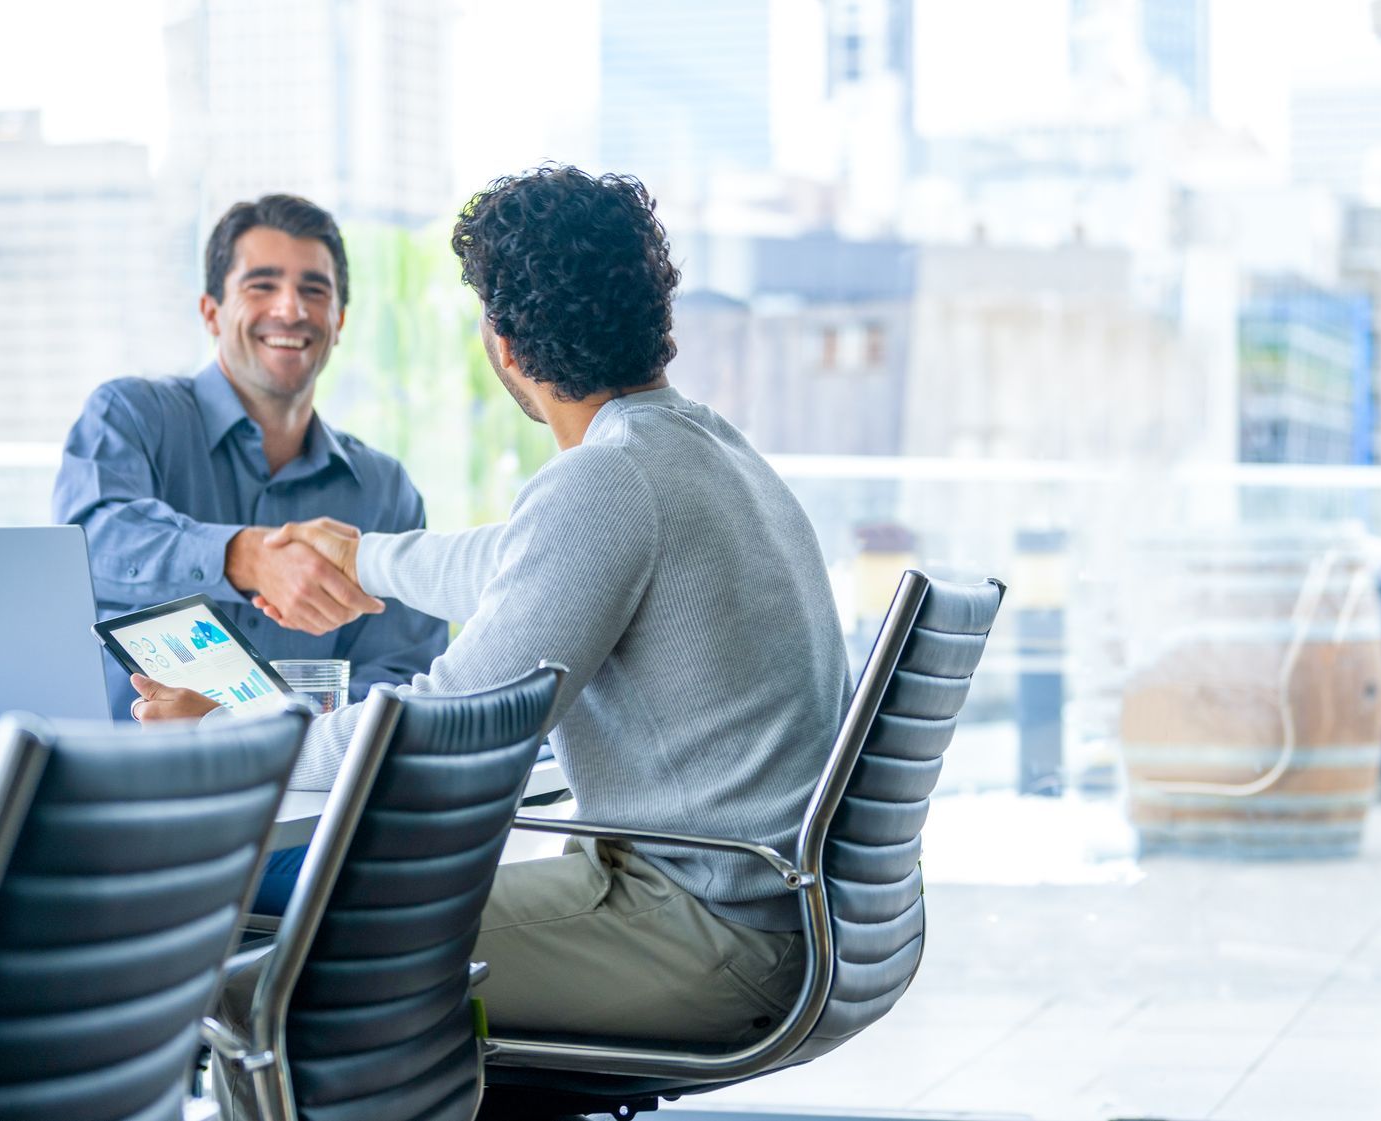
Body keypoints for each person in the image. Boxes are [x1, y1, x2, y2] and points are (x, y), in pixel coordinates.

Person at [135, 167, 852, 1043]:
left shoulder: (607, 479)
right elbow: (520, 564)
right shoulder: (696, 445)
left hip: (698, 926)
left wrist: (222, 732)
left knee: (255, 988)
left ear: (504, 346)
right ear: (654, 314)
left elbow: (441, 728)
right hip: (773, 909)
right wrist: (367, 557)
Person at [53, 195, 448, 721]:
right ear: (210, 312)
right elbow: (89, 543)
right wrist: (245, 557)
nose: (290, 308)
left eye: (314, 290)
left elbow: (402, 678)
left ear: (339, 320)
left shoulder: (385, 492)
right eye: (261, 285)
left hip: (302, 794)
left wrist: (267, 729)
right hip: (124, 782)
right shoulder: (130, 416)